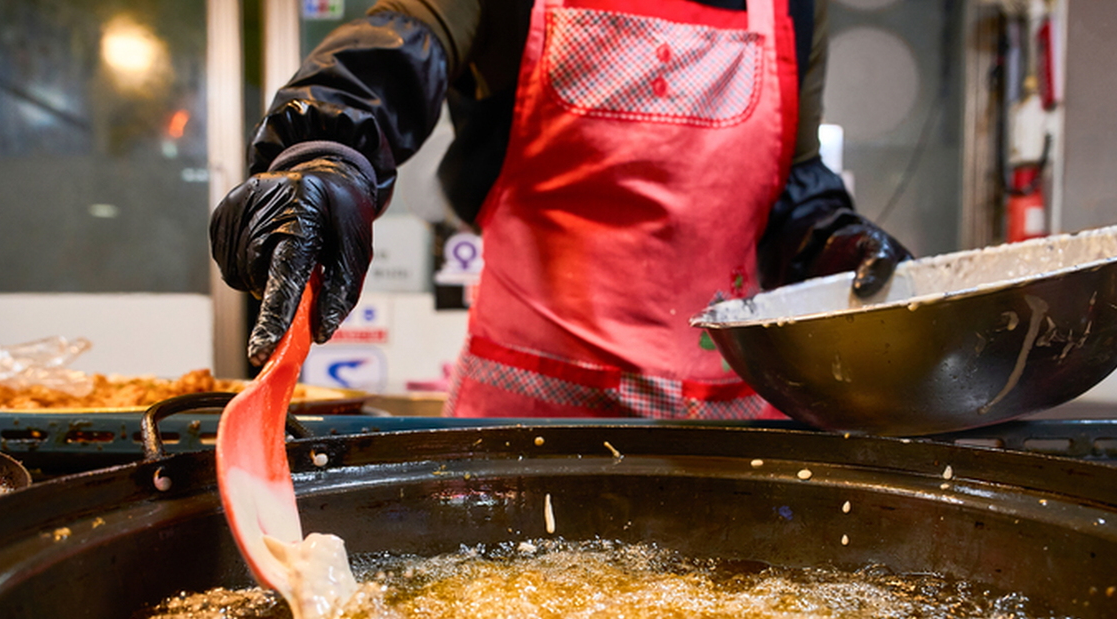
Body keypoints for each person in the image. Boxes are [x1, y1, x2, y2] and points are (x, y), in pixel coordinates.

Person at [210, 0, 911, 418]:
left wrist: (830, 241)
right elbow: (393, 49)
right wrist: (323, 152)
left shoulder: (793, 7)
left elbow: (790, 183)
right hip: (526, 433)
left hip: (725, 437)